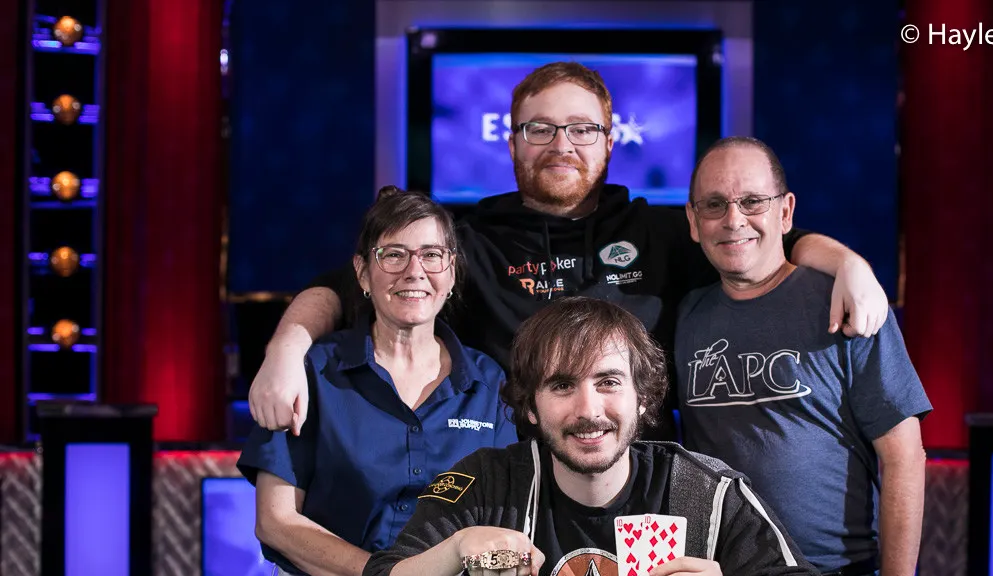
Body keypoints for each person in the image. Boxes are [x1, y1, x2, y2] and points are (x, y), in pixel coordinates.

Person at [248, 62, 890, 439]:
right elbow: (339, 289)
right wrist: (284, 351)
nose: (562, 145)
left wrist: (848, 264)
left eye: (582, 129)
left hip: (642, 497)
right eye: (541, 129)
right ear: (512, 142)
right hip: (506, 496)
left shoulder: (665, 231)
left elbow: (769, 241)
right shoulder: (463, 242)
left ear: (610, 141)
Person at [352, 297, 841, 576]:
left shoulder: (705, 489)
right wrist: (452, 553)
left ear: (642, 397)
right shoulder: (488, 483)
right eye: (562, 386)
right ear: (530, 407)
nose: (589, 411)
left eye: (608, 382)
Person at [675, 137, 933, 576]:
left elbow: (905, 456)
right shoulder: (685, 316)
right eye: (714, 204)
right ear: (693, 220)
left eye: (753, 201)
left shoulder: (847, 302)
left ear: (786, 211)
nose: (733, 219)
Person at [237, 188, 517, 576]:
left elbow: (504, 517)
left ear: (451, 272)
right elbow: (276, 521)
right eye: (393, 254)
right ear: (362, 273)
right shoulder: (314, 372)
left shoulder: (489, 384)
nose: (414, 271)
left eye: (431, 255)